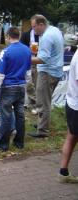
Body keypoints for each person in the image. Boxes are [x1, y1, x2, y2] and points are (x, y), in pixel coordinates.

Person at [0, 27, 31, 151]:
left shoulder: (5, 52)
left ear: (8, 36)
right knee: (20, 115)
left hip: (8, 87)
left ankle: (3, 145)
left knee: (6, 116)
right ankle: (19, 142)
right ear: (18, 35)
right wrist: (25, 84)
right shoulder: (27, 50)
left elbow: (0, 75)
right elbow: (28, 72)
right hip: (21, 86)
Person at [28, 14, 64, 138]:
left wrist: (25, 59)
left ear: (41, 24)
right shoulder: (55, 30)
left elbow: (42, 59)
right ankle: (41, 123)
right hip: (56, 70)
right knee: (44, 100)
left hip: (47, 72)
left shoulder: (47, 36)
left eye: (34, 27)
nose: (33, 30)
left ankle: (42, 131)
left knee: (43, 102)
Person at [58, 49, 78, 183]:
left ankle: (63, 173)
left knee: (71, 137)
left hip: (72, 103)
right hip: (76, 106)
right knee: (71, 138)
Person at [20, 28, 39, 111]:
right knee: (29, 84)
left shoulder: (43, 35)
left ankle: (36, 104)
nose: (35, 27)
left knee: (37, 84)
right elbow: (21, 48)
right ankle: (33, 103)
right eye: (33, 25)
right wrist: (29, 50)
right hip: (29, 62)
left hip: (40, 62)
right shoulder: (26, 35)